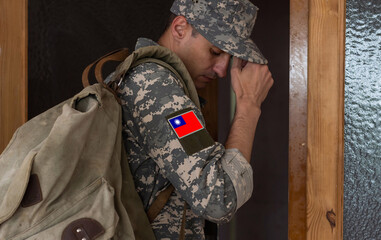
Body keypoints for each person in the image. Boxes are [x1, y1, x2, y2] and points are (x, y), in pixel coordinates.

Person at [116, 0, 274, 238]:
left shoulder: (158, 81)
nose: (222, 70)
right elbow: (218, 199)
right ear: (180, 28)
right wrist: (248, 106)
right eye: (215, 52)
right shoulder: (156, 86)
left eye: (229, 57)